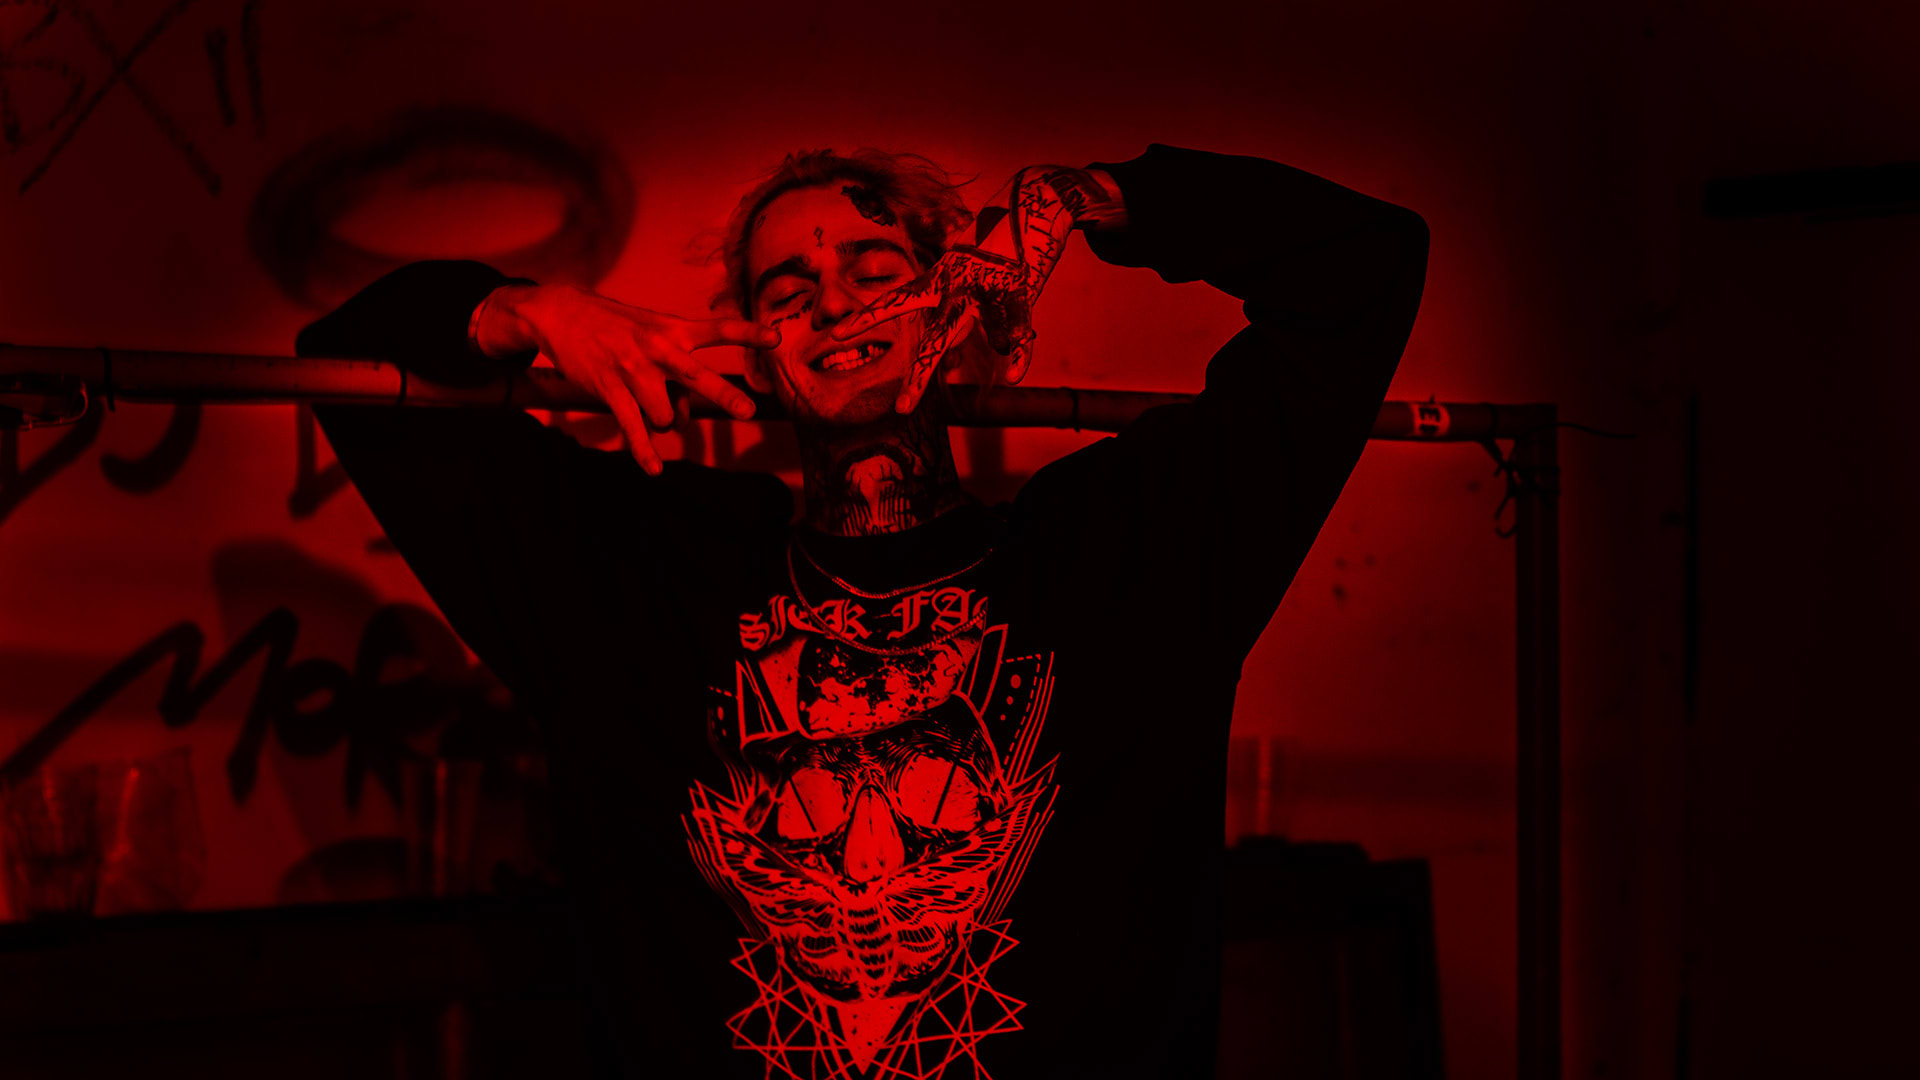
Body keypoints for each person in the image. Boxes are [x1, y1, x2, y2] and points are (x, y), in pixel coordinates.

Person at [298, 142, 1428, 1079]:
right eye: (786, 292)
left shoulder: (1121, 561)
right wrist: (526, 312)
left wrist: (1084, 197)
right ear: (752, 348)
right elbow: (347, 360)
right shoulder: (648, 581)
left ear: (959, 301)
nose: (833, 301)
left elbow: (1365, 265)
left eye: (876, 269)